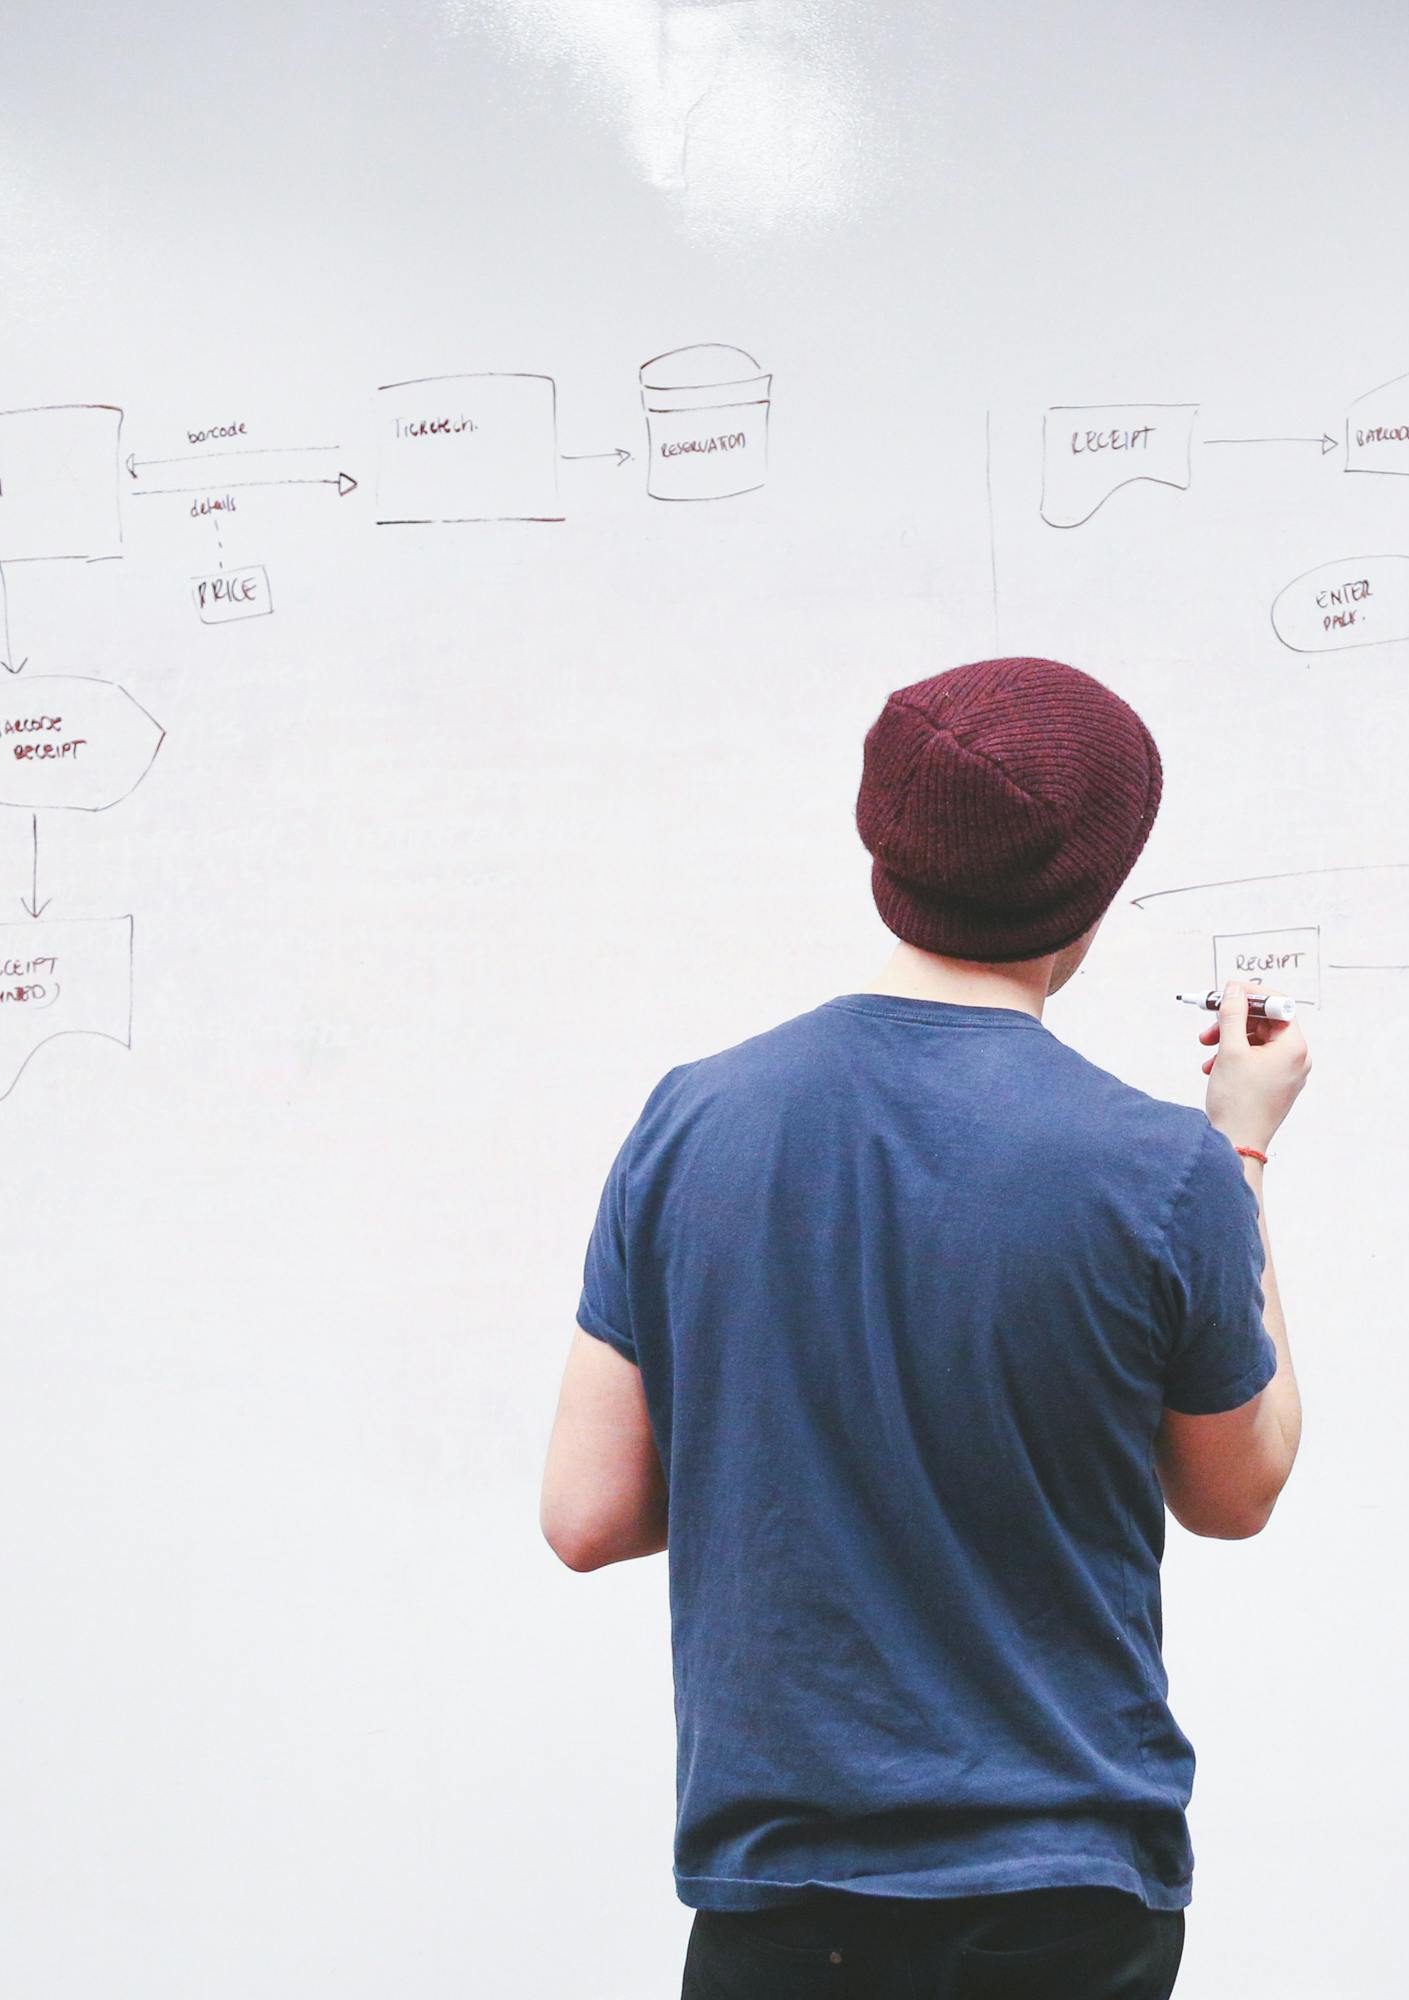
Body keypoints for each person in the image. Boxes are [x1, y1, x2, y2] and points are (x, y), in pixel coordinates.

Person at [538, 655, 1309, 1999]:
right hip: (1059, 1896)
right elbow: (1234, 1493)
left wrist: (799, 1433)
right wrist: (1237, 1153)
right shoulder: (1158, 1171)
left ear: (883, 845)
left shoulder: (691, 1123)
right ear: (1095, 887)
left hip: (779, 1900)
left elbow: (588, 1512)